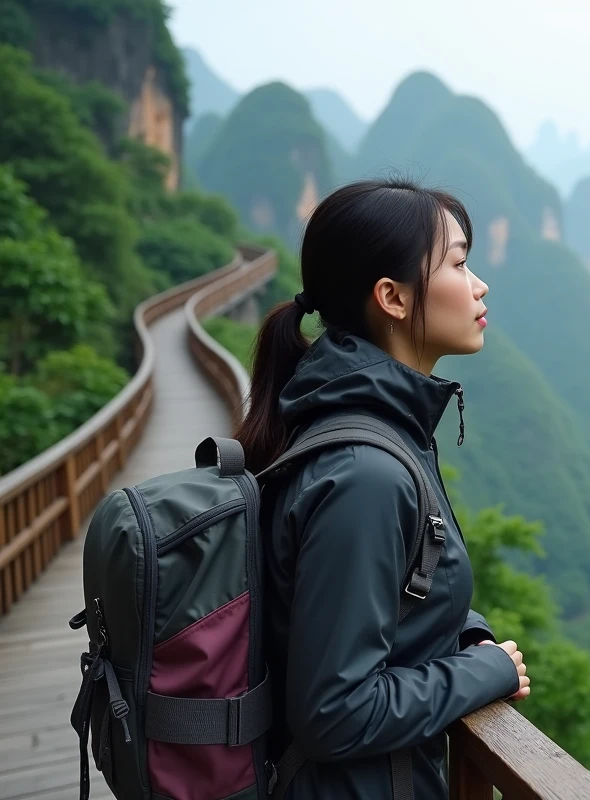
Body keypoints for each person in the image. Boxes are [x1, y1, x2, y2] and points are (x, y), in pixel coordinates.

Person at [233, 178, 530, 798]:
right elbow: (334, 712)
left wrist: (465, 632)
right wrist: (484, 672)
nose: (479, 284)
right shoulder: (366, 475)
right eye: (457, 262)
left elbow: (393, 596)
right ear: (392, 298)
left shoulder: (372, 423)